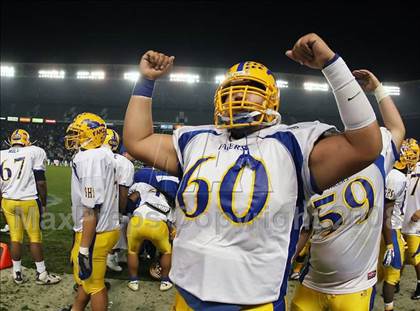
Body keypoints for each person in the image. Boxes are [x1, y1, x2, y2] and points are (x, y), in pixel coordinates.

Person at [123, 33, 383, 309]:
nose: (239, 93)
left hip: (254, 302)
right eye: (233, 87)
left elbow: (365, 146)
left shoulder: (293, 143)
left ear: (271, 98)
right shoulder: (196, 139)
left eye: (251, 87)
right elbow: (137, 141)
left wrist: (331, 65)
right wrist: (146, 81)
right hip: (187, 296)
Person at [291, 69, 405, 310]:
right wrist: (288, 260)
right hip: (312, 282)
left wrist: (378, 90)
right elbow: (305, 229)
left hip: (356, 286)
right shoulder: (313, 173)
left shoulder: (375, 158)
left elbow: (396, 129)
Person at [64, 113, 120, 311]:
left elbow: (91, 209)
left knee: (95, 285)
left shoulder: (89, 158)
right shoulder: (103, 154)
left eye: (79, 133)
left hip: (95, 232)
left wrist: (84, 248)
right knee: (87, 281)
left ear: (93, 134)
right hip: (104, 229)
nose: (75, 137)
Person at [0, 129, 61, 285]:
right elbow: (40, 181)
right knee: (34, 238)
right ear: (26, 140)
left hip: (8, 200)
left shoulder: (2, 154)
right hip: (27, 201)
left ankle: (17, 273)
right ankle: (41, 273)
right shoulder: (35, 151)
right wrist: (44, 202)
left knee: (15, 237)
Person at [125, 167, 178, 292]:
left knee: (132, 251)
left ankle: (133, 281)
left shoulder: (144, 187)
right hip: (158, 223)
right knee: (166, 251)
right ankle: (165, 281)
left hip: (137, 220)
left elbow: (131, 200)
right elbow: (171, 225)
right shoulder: (170, 203)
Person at [102, 129, 134, 272]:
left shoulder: (97, 156)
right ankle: (111, 255)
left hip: (92, 201)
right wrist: (121, 211)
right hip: (112, 204)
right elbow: (123, 190)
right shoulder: (126, 163)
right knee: (117, 228)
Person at [401, 139, 420, 300]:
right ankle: (395, 282)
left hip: (416, 223)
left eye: (412, 152)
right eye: (407, 151)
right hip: (402, 220)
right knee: (400, 254)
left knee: (415, 256)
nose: (409, 155)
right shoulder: (405, 172)